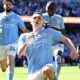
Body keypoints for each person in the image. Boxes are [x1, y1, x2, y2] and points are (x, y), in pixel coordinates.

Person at [18, 12, 78, 80]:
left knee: (47, 70)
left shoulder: (49, 32)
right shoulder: (23, 36)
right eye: (34, 18)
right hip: (33, 72)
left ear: (43, 22)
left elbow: (65, 39)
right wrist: (27, 42)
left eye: (39, 18)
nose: (36, 19)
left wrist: (73, 49)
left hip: (48, 65)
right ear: (31, 21)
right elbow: (19, 54)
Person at [0, 0, 28, 80]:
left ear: (12, 6)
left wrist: (34, 34)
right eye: (6, 4)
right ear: (3, 6)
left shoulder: (16, 17)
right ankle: (3, 66)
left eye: (9, 4)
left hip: (12, 43)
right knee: (3, 68)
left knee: (11, 61)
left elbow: (24, 29)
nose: (8, 5)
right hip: (1, 44)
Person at [43, 1, 67, 76]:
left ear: (55, 9)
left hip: (57, 43)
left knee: (58, 58)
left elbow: (64, 31)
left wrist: (52, 27)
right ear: (45, 8)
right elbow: (35, 29)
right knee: (45, 65)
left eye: (51, 8)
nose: (50, 9)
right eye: (48, 8)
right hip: (46, 43)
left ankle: (56, 77)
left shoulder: (59, 18)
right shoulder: (41, 17)